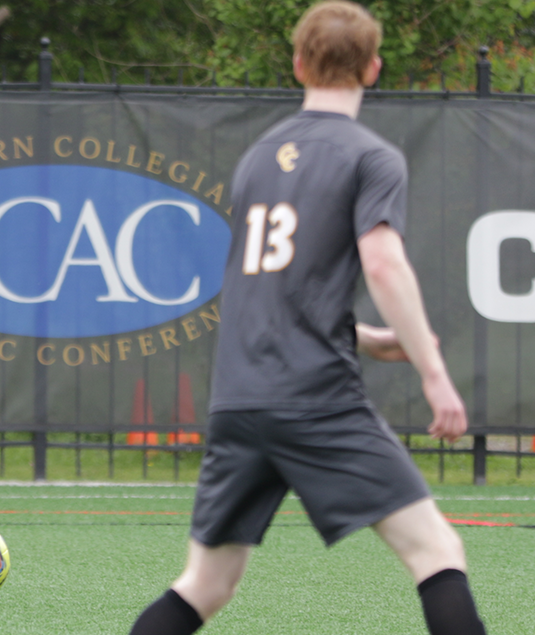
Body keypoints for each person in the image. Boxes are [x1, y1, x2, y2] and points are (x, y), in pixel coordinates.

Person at [128, 2, 486, 634]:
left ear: (298, 64)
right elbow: (382, 263)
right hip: (316, 398)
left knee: (206, 585)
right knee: (437, 553)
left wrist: (372, 339)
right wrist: (433, 371)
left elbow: (271, 288)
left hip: (240, 400)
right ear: (373, 68)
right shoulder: (371, 156)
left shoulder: (259, 158)